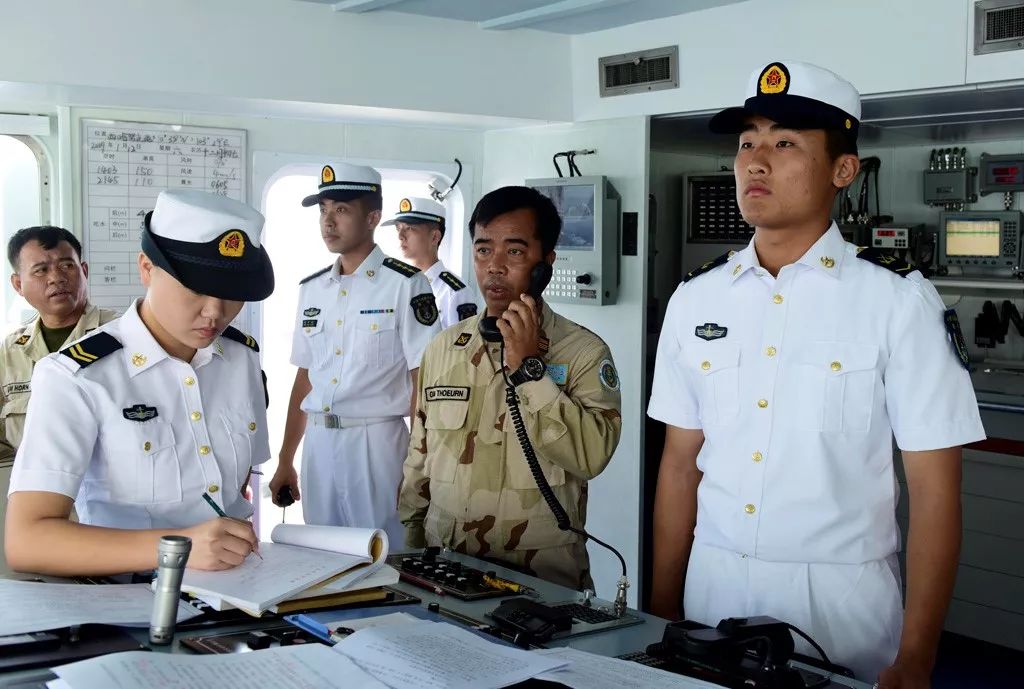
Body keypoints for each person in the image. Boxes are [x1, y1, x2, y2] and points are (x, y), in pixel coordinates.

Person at [647, 61, 985, 685]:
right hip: (712, 590)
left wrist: (918, 653)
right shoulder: (696, 301)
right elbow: (678, 465)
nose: (755, 161)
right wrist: (662, 608)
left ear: (843, 170)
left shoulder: (896, 301)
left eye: (784, 144)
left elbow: (936, 492)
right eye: (747, 143)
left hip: (840, 606)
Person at [5, 190, 275, 576]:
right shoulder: (77, 376)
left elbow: (236, 483)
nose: (215, 313)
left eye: (232, 293)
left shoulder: (240, 357)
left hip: (238, 588)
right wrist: (180, 548)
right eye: (196, 288)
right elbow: (27, 541)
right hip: (131, 596)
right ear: (146, 268)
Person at [399, 186, 622, 590]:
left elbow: (592, 456)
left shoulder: (584, 353)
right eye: (483, 250)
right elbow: (420, 458)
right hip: (448, 566)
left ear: (545, 263)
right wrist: (413, 547)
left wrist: (530, 371)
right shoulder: (444, 349)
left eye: (514, 252)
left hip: (542, 578)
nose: (495, 267)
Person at [269, 163, 441, 542]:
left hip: (376, 443)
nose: (328, 222)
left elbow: (423, 380)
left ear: (373, 217)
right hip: (319, 444)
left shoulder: (406, 285)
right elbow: (305, 377)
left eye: (342, 210)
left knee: (387, 553)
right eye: (323, 210)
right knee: (321, 555)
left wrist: (419, 466)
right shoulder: (312, 289)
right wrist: (285, 460)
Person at [0, 226, 118, 567]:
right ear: (19, 285)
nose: (57, 277)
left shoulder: (123, 336)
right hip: (38, 522)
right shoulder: (10, 353)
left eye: (67, 266)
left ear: (83, 271)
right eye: (41, 270)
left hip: (110, 522)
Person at [381, 196, 478, 328]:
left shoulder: (455, 293)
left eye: (409, 228)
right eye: (398, 228)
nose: (400, 236)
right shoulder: (396, 285)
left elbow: (464, 347)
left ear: (434, 237)